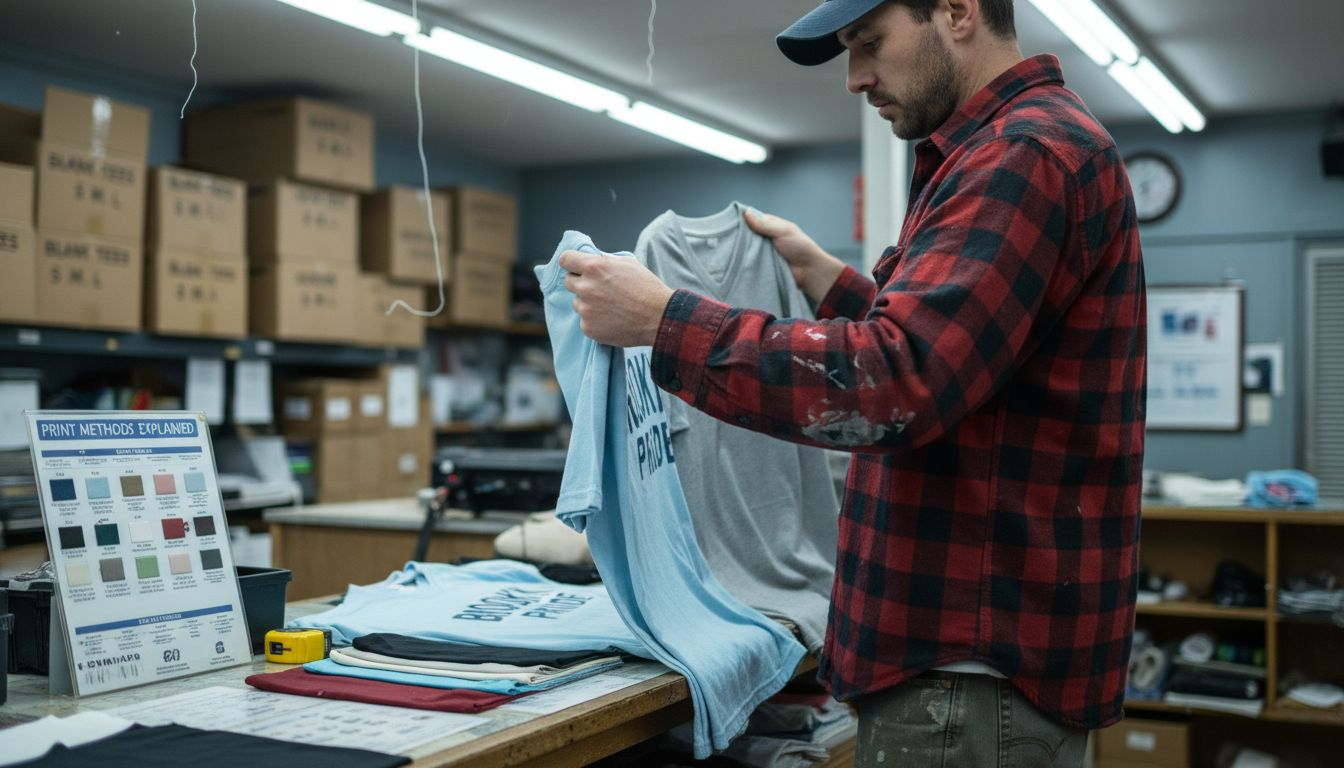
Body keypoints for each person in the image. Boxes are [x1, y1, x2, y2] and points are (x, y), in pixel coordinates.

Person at [558, 0, 1146, 764]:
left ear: (960, 12)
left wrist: (666, 322)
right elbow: (970, 365)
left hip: (966, 683)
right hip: (969, 678)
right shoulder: (1004, 153)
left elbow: (897, 382)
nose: (855, 78)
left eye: (869, 43)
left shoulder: (1021, 155)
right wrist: (831, 282)